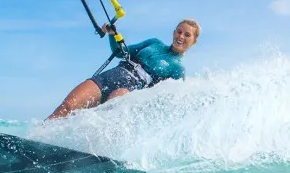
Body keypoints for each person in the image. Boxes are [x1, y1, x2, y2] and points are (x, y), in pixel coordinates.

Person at [46, 18, 200, 119]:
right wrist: (113, 34)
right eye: (179, 32)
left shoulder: (178, 69)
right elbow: (119, 52)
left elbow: (166, 101)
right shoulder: (154, 43)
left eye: (187, 35)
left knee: (105, 114)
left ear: (194, 41)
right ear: (174, 32)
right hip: (110, 76)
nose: (181, 37)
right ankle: (39, 136)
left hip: (130, 88)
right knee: (68, 106)